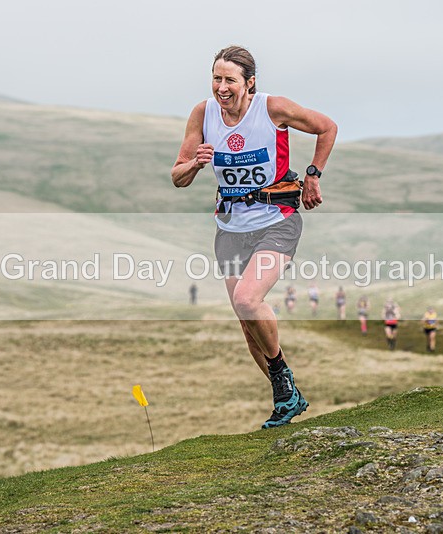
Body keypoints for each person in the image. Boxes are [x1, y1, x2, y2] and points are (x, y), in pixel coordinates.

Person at [171, 45, 337, 429]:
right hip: (230, 229)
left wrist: (313, 174)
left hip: (276, 218)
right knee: (248, 326)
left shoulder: (272, 108)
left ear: (250, 82)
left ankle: (282, 376)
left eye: (230, 80)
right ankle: (286, 400)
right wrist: (195, 164)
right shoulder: (203, 113)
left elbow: (327, 127)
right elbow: (177, 175)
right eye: (216, 78)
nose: (221, 88)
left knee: (248, 300)